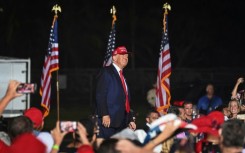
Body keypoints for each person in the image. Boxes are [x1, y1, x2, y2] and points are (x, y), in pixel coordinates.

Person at [95, 46, 136, 139]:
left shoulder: (122, 76)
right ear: (114, 57)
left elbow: (125, 99)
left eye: (127, 56)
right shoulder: (106, 72)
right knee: (106, 148)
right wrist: (104, 114)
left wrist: (130, 119)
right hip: (109, 121)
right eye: (123, 55)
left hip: (122, 122)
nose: (126, 57)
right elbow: (100, 95)